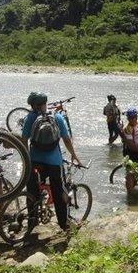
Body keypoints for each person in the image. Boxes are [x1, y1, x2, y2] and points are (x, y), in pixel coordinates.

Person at [22, 92, 82, 232]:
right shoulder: (56, 117)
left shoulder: (29, 118)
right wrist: (74, 155)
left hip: (35, 162)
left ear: (32, 105)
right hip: (54, 162)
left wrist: (27, 160)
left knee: (32, 191)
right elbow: (66, 139)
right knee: (59, 191)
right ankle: (64, 223)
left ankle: (32, 223)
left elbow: (23, 141)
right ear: (44, 103)